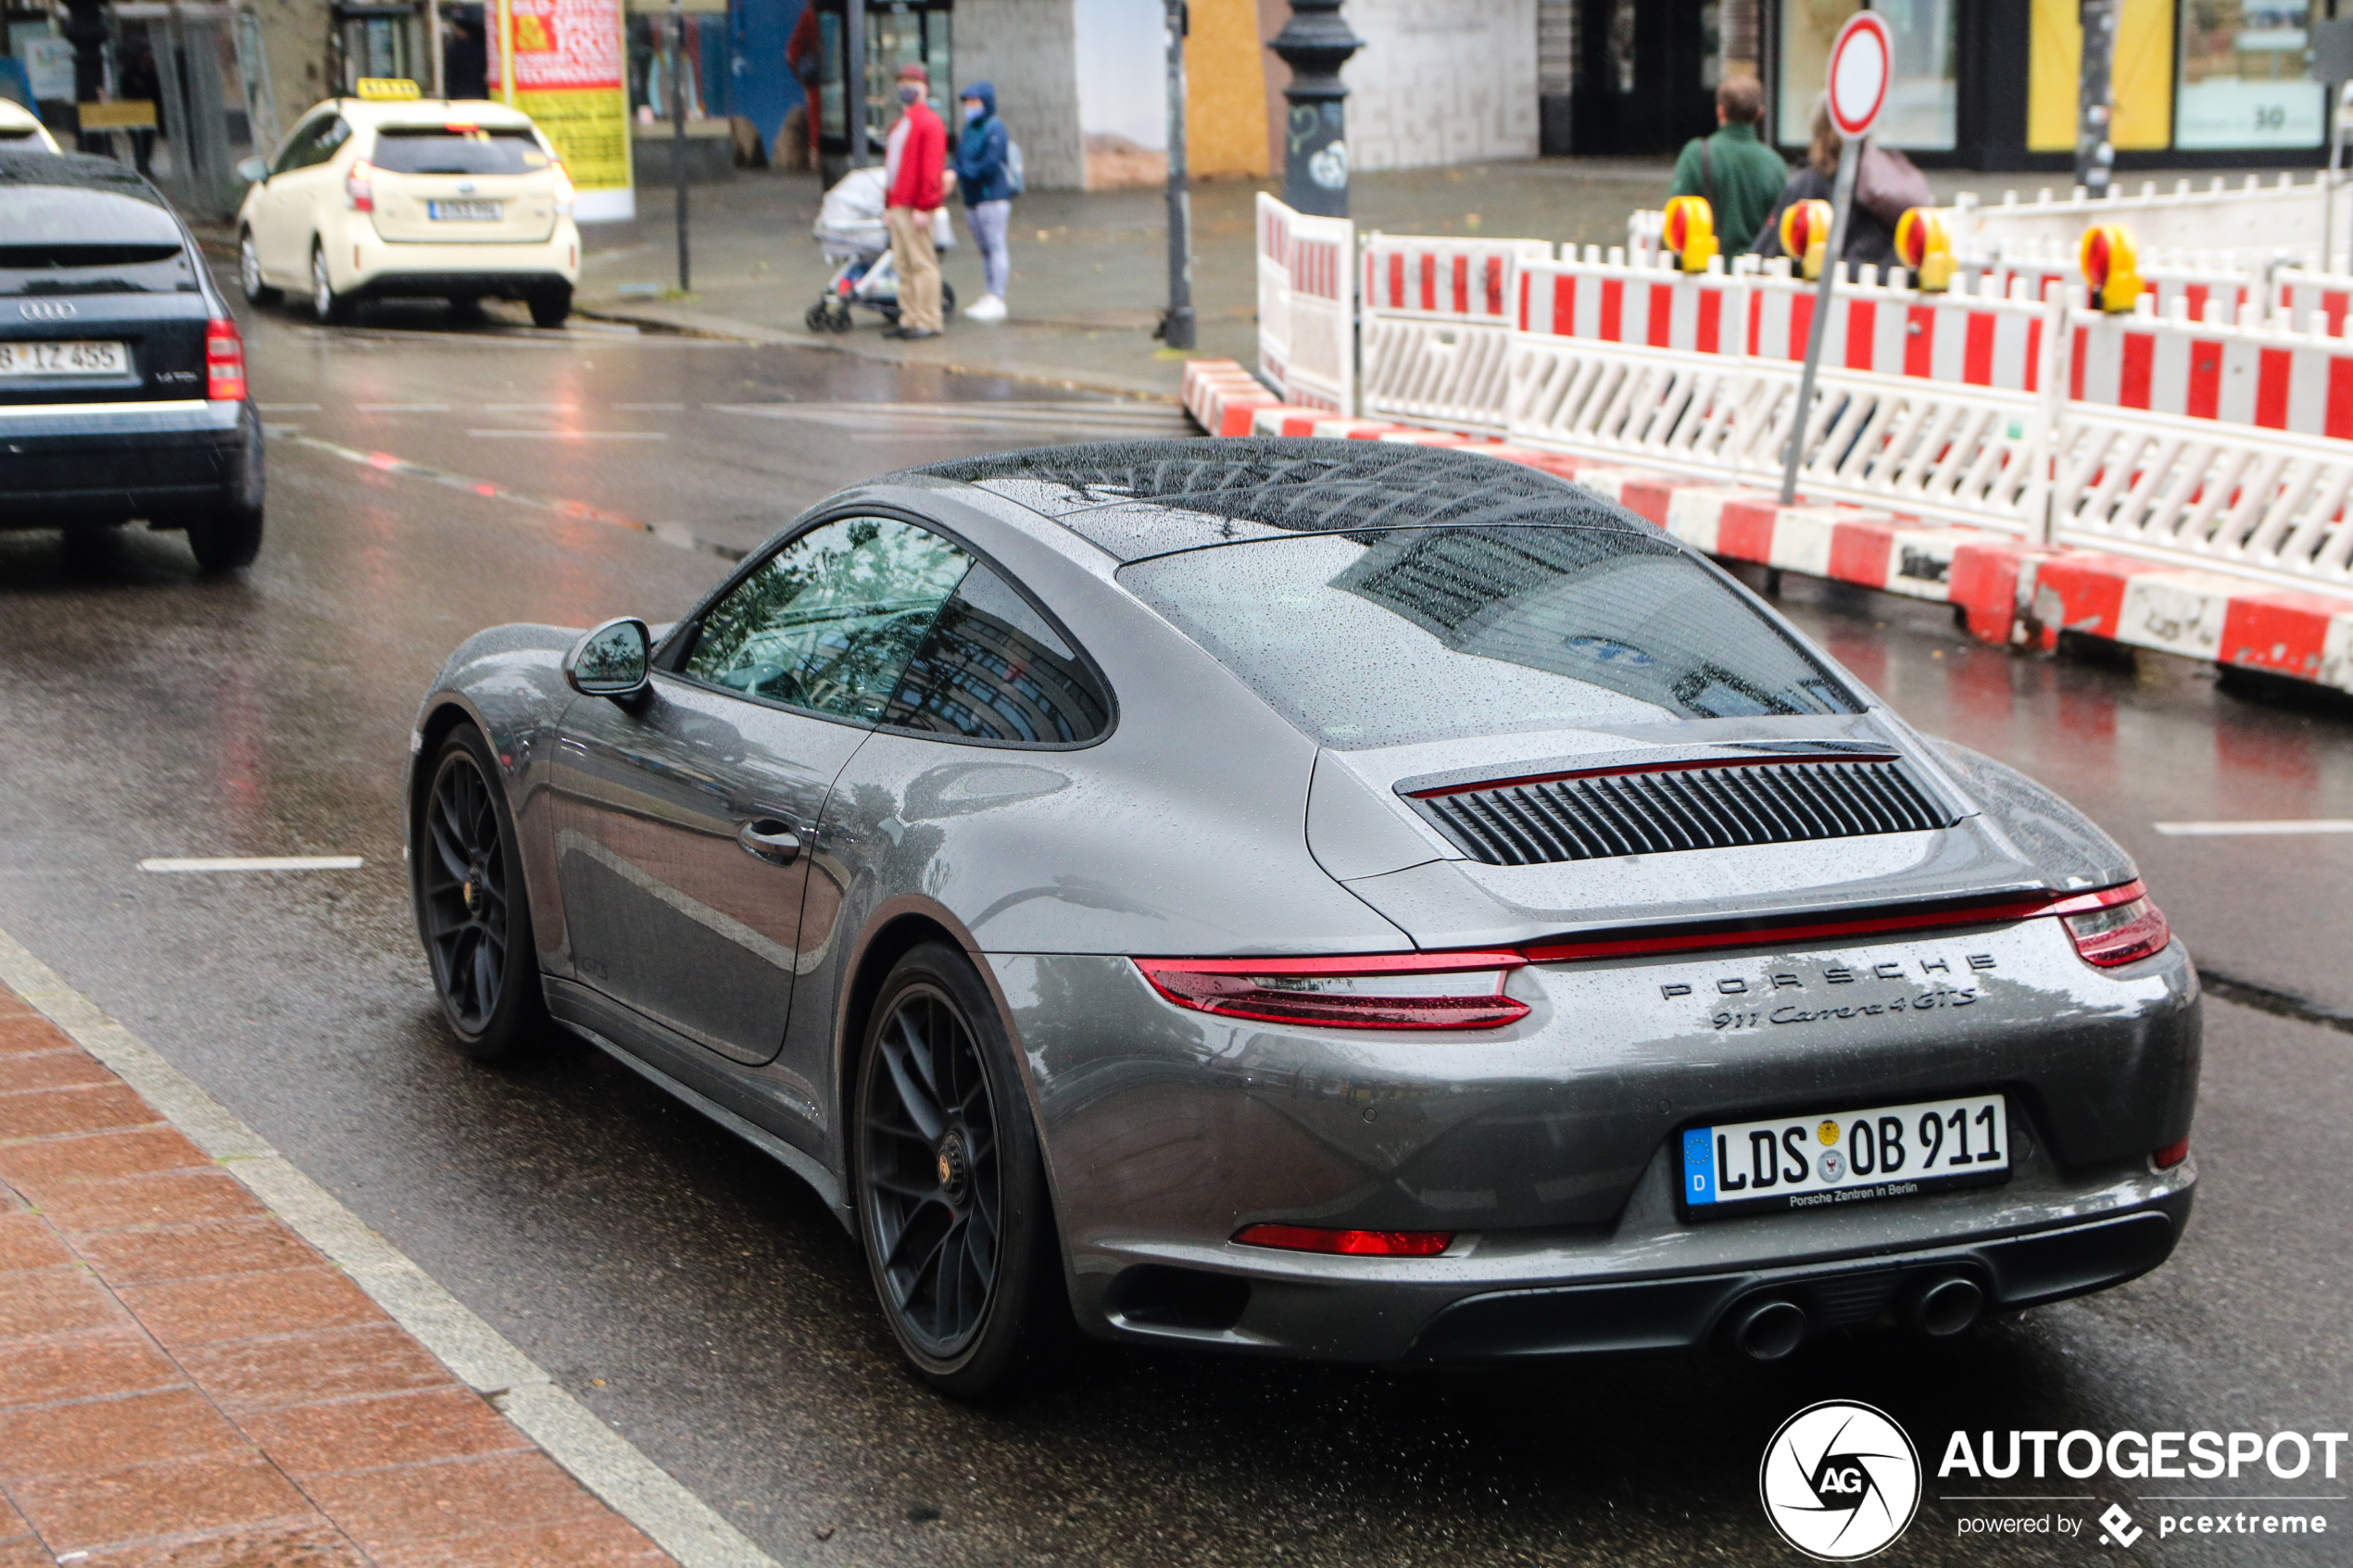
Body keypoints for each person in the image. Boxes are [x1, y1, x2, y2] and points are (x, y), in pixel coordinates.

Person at [1754, 94, 1925, 272]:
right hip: (1879, 287)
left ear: (1818, 130)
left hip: (1826, 292)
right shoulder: (1880, 187)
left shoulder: (1810, 184)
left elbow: (1766, 252)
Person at [1667, 76, 1786, 257]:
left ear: (1720, 111)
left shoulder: (1696, 155)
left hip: (1706, 273)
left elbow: (1675, 217)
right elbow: (1780, 230)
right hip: (1756, 276)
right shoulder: (1776, 164)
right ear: (1760, 112)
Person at [883, 62, 947, 340]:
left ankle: (928, 319)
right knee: (904, 265)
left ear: (925, 88)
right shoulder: (902, 124)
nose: (906, 89)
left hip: (914, 205)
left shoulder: (929, 123)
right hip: (899, 204)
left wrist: (925, 205)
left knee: (921, 263)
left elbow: (932, 170)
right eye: (902, 84)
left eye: (912, 83)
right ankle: (909, 317)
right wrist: (888, 205)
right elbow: (892, 168)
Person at [953, 82, 1013, 321]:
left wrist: (964, 172)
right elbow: (959, 159)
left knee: (996, 246)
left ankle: (997, 297)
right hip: (972, 198)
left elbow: (990, 163)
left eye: (975, 102)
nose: (970, 107)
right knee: (985, 250)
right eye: (967, 102)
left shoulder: (995, 128)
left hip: (992, 198)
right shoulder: (968, 129)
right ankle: (989, 294)